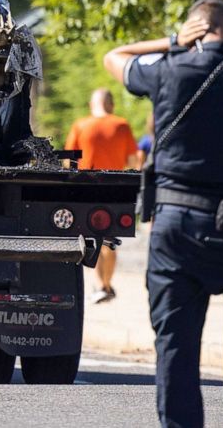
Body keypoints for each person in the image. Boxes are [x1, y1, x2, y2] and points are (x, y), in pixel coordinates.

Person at [102, 0, 223, 428]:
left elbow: (112, 57)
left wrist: (171, 41)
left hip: (174, 230)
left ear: (193, 31)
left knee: (176, 348)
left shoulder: (167, 70)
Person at [65, 88, 138, 304]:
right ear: (111, 105)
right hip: (116, 189)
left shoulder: (81, 125)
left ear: (91, 105)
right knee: (110, 240)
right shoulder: (121, 125)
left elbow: (69, 162)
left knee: (93, 238)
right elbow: (133, 161)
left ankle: (99, 286)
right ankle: (106, 285)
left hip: (87, 188)